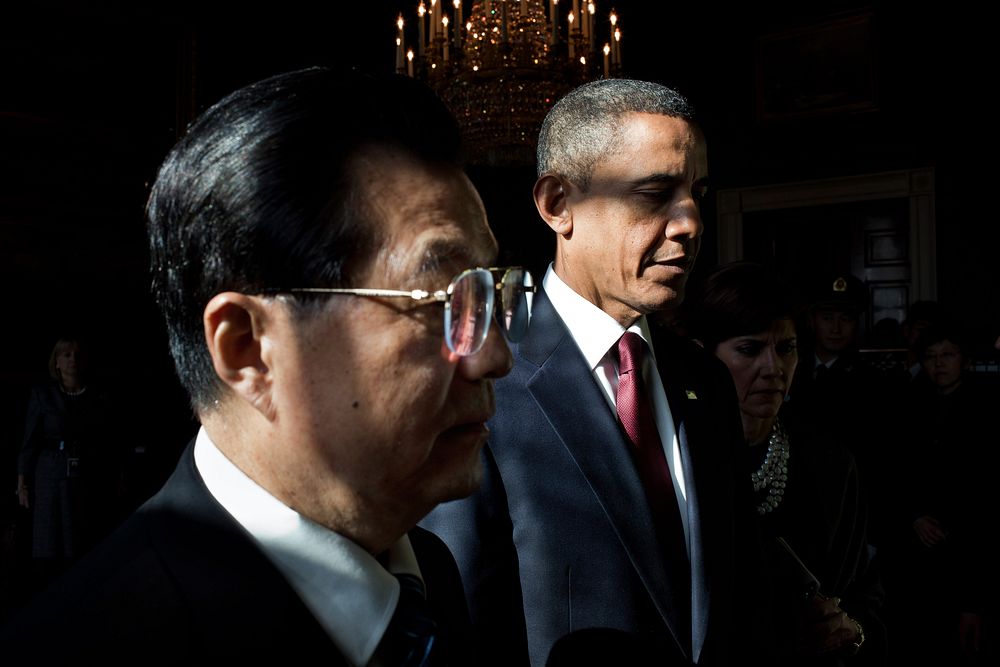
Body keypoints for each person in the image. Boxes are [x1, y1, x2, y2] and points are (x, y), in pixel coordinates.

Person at [0, 66, 524, 663]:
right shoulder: (86, 646)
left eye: (487, 296)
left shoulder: (425, 577)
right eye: (440, 303)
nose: (494, 358)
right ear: (247, 348)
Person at [421, 78, 762, 666]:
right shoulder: (478, 377)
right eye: (655, 193)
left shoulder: (703, 380)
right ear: (558, 205)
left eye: (697, 193)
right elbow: (463, 618)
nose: (690, 223)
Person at [683, 262, 885, 666]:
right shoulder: (677, 454)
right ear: (705, 355)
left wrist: (852, 629)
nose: (773, 369)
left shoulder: (830, 461)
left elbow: (866, 591)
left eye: (786, 348)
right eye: (749, 348)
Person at [885, 323, 998, 665]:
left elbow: (985, 495)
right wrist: (914, 516)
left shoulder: (987, 407)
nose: (939, 364)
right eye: (931, 357)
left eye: (948, 355)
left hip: (968, 550)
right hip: (914, 553)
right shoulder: (907, 402)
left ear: (963, 359)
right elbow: (893, 473)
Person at [14, 336, 116, 590]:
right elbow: (29, 441)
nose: (72, 360)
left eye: (76, 355)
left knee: (78, 540)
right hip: (49, 471)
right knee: (48, 541)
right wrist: (22, 480)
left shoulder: (96, 395)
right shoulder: (43, 395)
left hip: (84, 472)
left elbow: (106, 439)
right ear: (56, 362)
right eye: (66, 355)